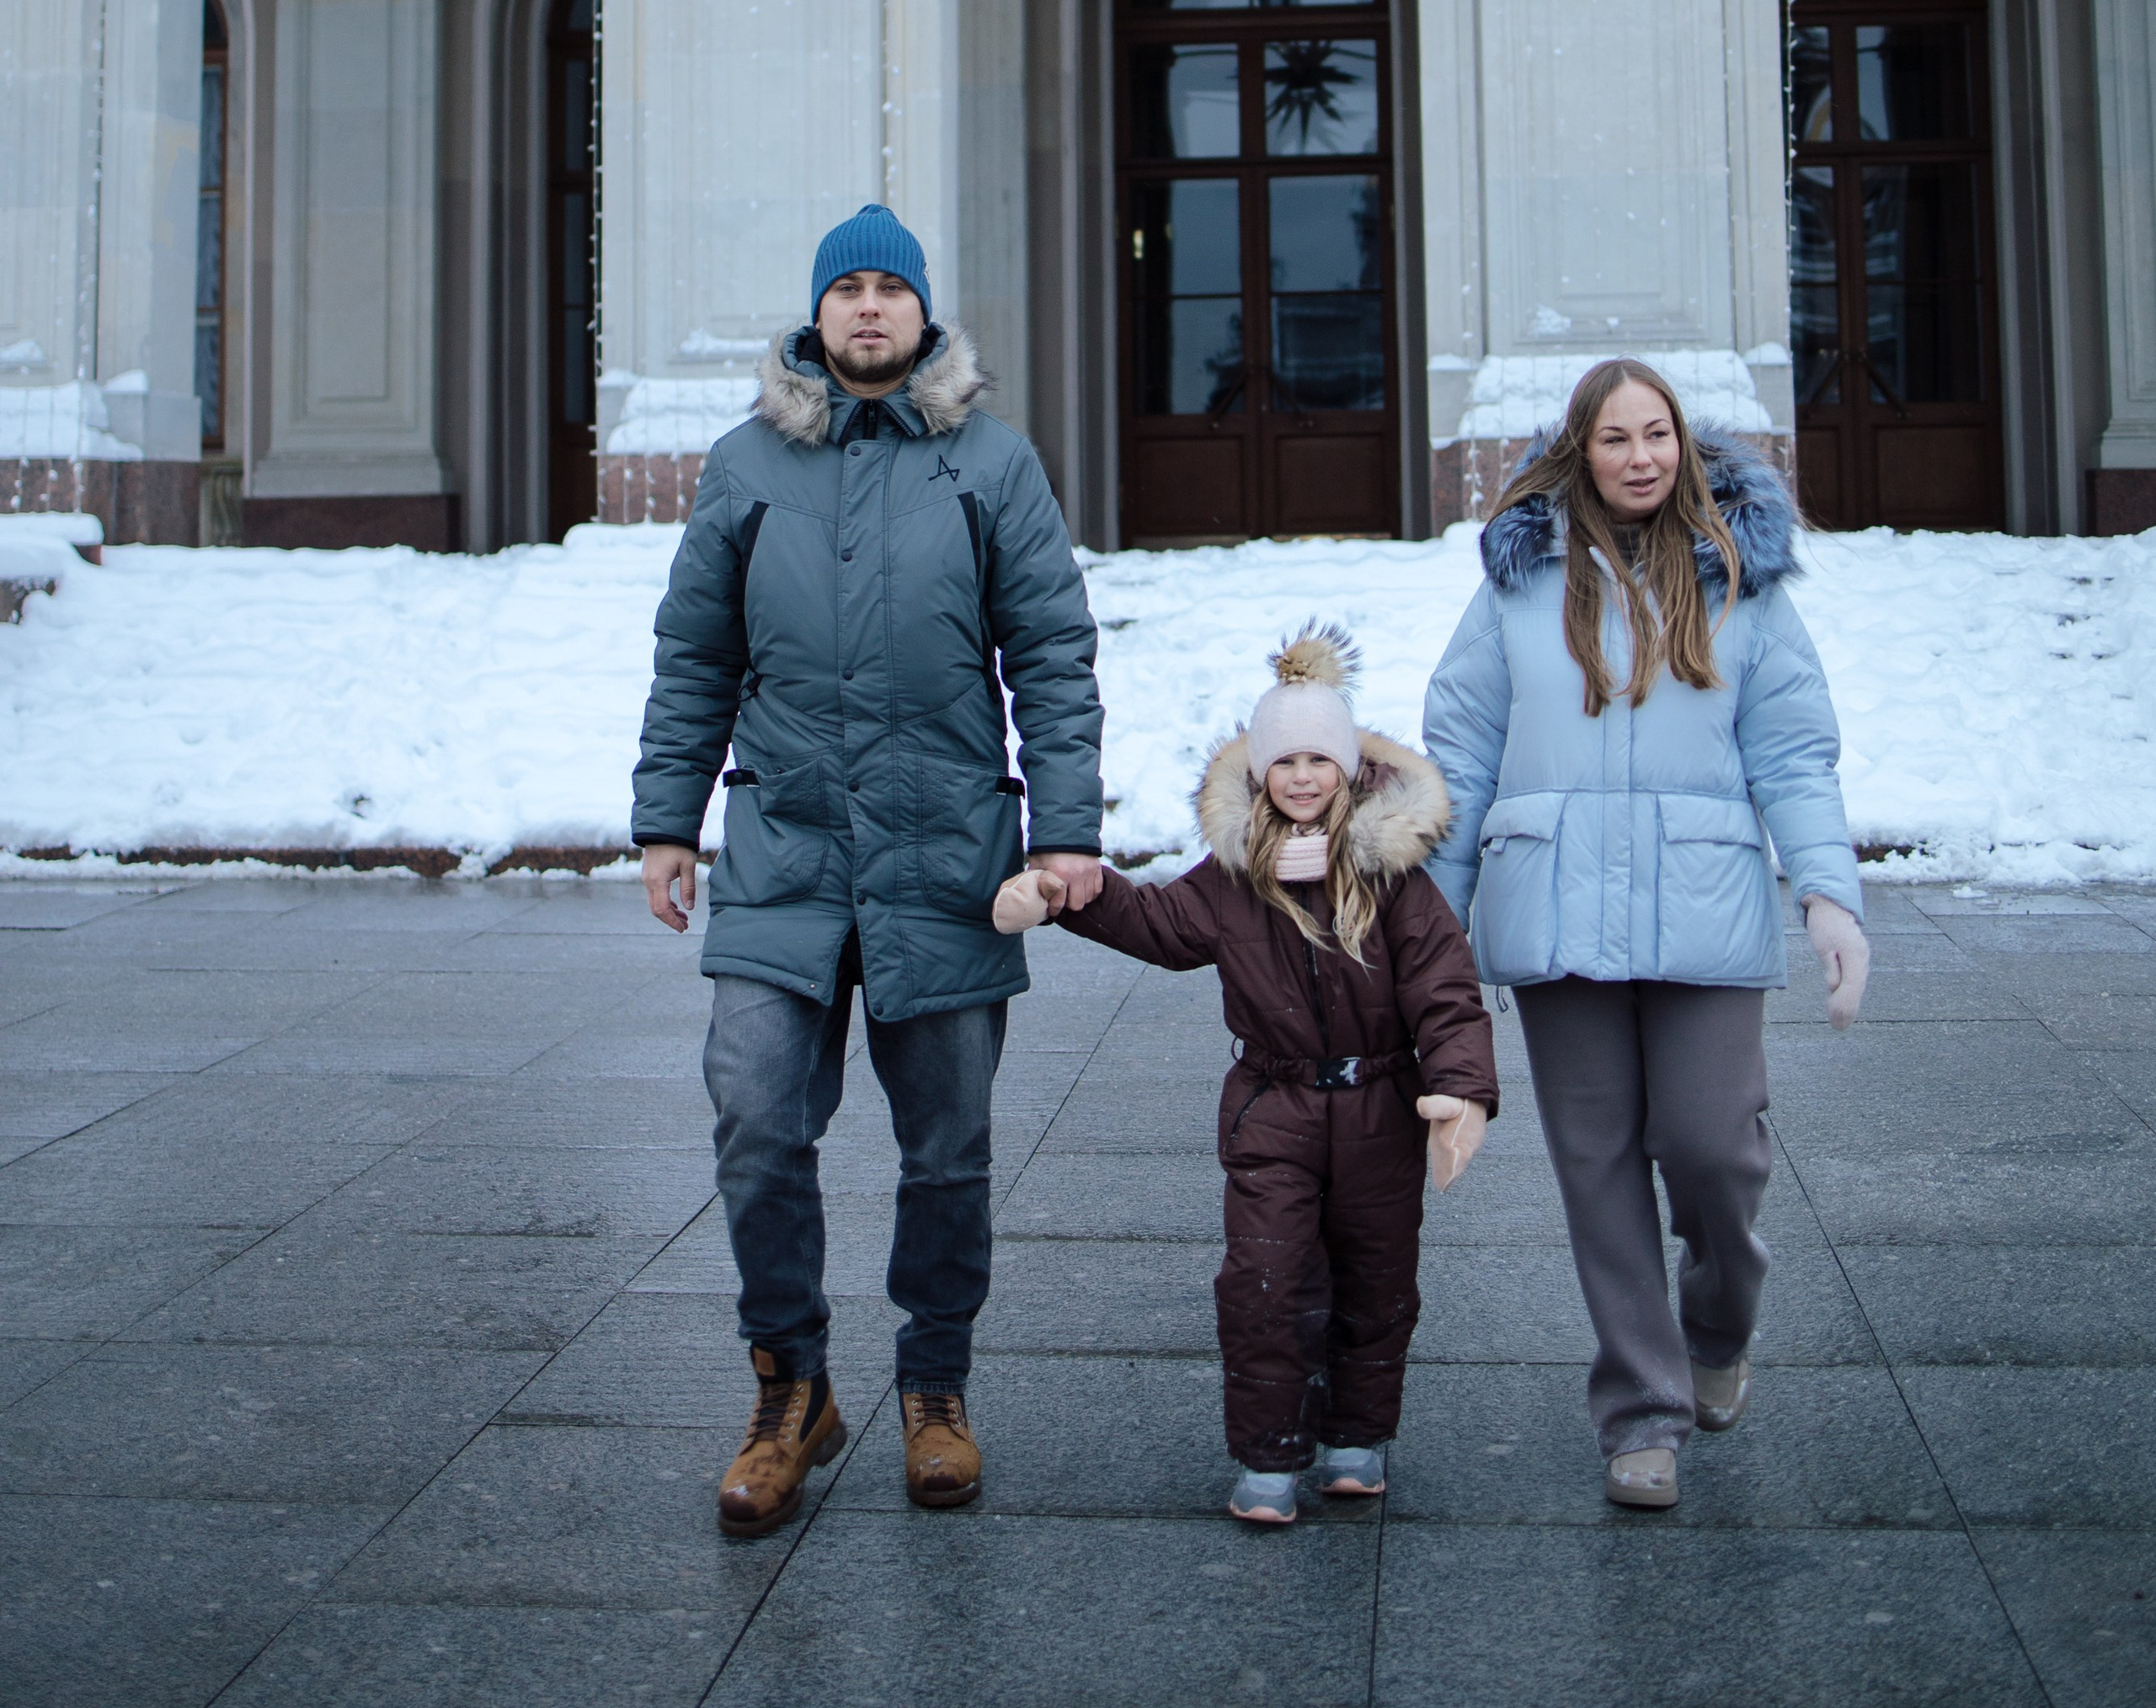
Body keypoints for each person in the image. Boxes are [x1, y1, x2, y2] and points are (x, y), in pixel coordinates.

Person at [631, 204, 1107, 1539]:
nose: (868, 310)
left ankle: (935, 1390)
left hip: (947, 854)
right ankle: (789, 1390)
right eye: (847, 290)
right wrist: (669, 822)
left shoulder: (992, 464)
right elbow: (695, 659)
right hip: (785, 852)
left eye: (891, 290)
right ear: (818, 316)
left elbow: (1054, 657)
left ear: (923, 316)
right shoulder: (743, 468)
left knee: (947, 1148)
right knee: (756, 1115)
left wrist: (1065, 827)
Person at [1421, 358, 1870, 1513]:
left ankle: (1718, 1323)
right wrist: (1435, 927)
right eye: (1614, 438)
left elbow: (1793, 755)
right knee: (1599, 1169)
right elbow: (1459, 758)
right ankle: (1642, 1410)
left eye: (1656, 435)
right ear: (1580, 452)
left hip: (1703, 910)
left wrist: (1828, 892)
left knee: (1717, 1151)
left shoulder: (1741, 583)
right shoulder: (1518, 586)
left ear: (1683, 446)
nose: (1638, 458)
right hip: (1553, 915)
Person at [996, 625, 1498, 1526]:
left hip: (1382, 1107)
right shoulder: (1236, 878)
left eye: (1319, 759)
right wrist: (1072, 895)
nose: (1302, 778)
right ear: (1260, 772)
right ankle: (1269, 1454)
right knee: (1264, 1281)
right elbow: (1158, 924)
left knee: (1376, 1285)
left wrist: (1458, 1090)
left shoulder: (1394, 882)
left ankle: (1354, 1436)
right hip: (1274, 1109)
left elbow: (1446, 992)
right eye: (1285, 762)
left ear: (1347, 769)